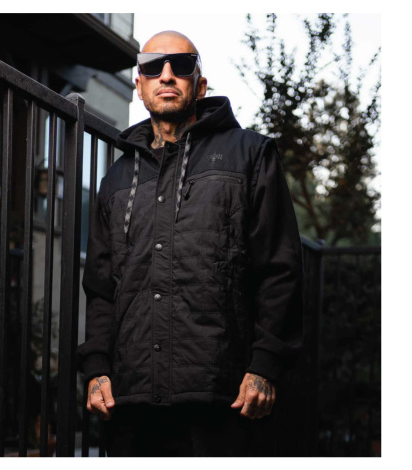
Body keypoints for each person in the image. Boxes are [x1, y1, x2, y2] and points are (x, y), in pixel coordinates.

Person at [77, 30, 304, 457]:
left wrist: (266, 365)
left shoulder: (250, 156)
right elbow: (101, 287)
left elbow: (281, 269)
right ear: (139, 85)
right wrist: (96, 368)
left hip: (223, 397)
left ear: (199, 85)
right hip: (132, 402)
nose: (166, 75)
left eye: (181, 66)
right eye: (153, 66)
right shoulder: (117, 178)